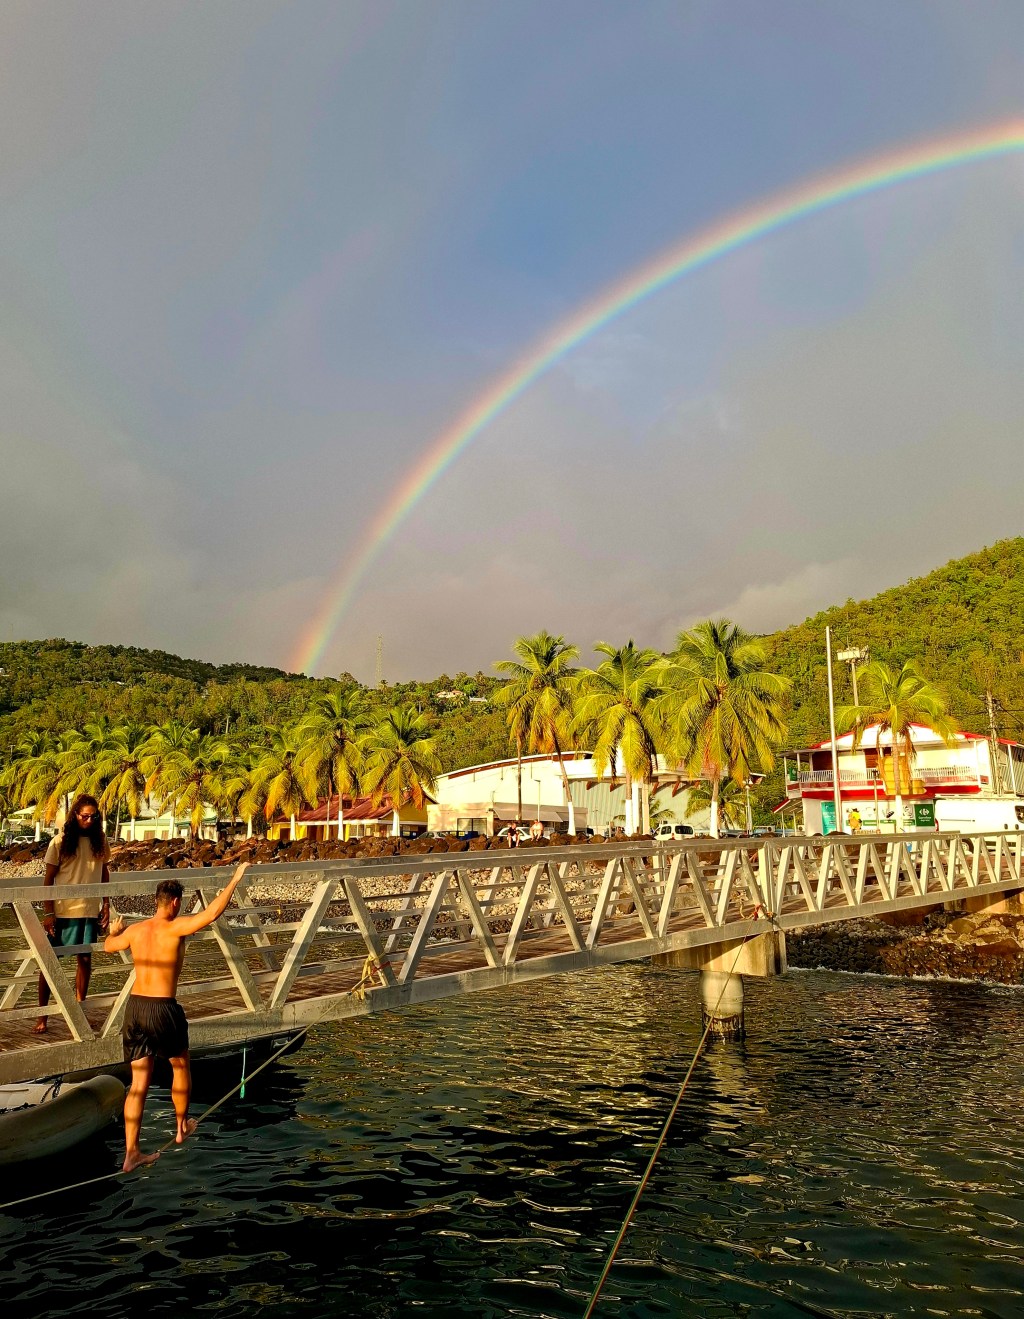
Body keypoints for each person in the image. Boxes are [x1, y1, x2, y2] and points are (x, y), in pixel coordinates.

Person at [104, 863, 248, 1172]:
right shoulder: (175, 926)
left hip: (135, 1008)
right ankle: (182, 1125)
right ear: (175, 903)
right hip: (162, 1008)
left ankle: (131, 1153)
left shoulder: (137, 930)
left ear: (155, 901)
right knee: (180, 1063)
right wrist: (234, 880)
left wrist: (113, 931)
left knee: (138, 1084)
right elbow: (211, 914)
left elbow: (108, 946)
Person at [35, 793, 111, 1033]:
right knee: (50, 964)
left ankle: (80, 1011)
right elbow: (48, 879)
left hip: (89, 910)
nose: (89, 820)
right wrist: (49, 913)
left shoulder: (100, 841)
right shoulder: (59, 842)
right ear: (75, 815)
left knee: (85, 960)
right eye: (84, 816)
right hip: (64, 911)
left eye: (93, 816)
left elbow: (105, 873)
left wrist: (106, 904)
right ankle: (42, 1016)